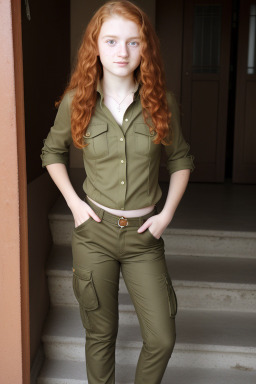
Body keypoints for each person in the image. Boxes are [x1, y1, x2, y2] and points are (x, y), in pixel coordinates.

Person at [41, 1, 195, 383]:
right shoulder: (78, 100)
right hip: (95, 234)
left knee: (162, 336)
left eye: (133, 42)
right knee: (100, 334)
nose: (122, 52)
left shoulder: (163, 103)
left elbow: (181, 160)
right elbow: (51, 151)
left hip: (144, 236)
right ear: (95, 45)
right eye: (111, 41)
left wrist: (166, 215)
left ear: (146, 48)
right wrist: (75, 205)